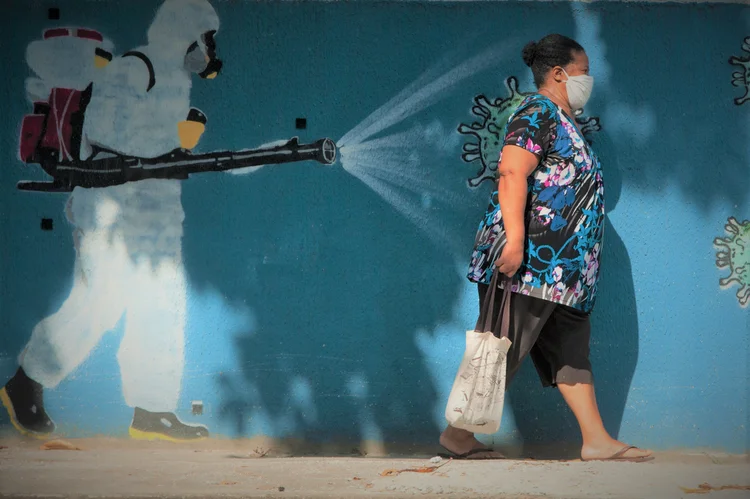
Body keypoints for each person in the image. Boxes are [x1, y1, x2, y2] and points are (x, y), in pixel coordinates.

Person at [439, 34, 653, 462]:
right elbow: (511, 173)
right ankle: (457, 436)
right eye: (583, 72)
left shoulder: (563, 120)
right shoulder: (536, 112)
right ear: (559, 74)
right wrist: (515, 243)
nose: (588, 80)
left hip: (564, 275)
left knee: (571, 350)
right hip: (533, 265)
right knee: (506, 345)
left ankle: (595, 440)